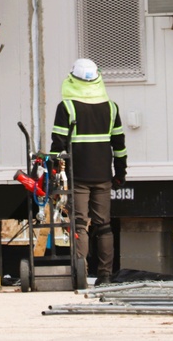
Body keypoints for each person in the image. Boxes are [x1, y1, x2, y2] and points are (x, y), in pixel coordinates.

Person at [50, 58, 127, 285]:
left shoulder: (67, 107)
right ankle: (105, 276)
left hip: (78, 177)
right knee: (104, 226)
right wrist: (120, 173)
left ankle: (80, 275)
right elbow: (119, 145)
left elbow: (57, 146)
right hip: (103, 176)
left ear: (72, 79)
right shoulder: (112, 108)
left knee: (80, 224)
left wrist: (55, 175)